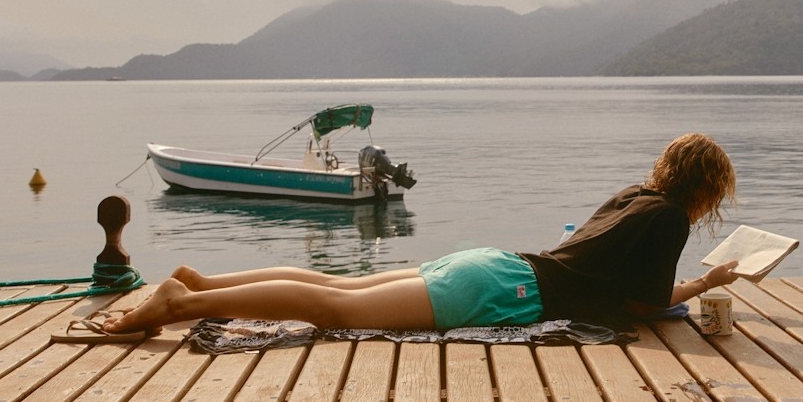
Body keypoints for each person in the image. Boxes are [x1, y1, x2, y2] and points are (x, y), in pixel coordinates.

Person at [101, 132, 739, 335]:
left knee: (336, 284)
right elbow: (649, 300)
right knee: (335, 310)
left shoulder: (638, 196)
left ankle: (205, 282)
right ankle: (182, 304)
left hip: (497, 264)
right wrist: (708, 281)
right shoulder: (668, 217)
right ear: (704, 188)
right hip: (508, 293)